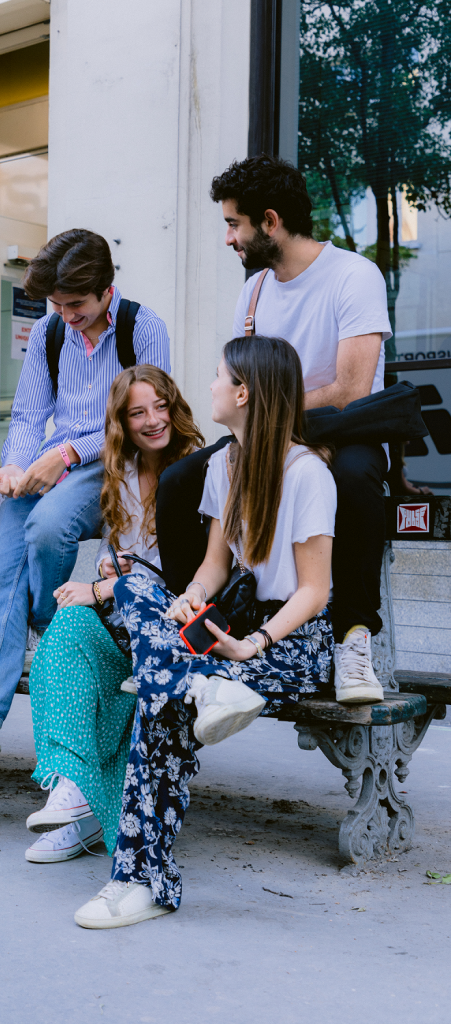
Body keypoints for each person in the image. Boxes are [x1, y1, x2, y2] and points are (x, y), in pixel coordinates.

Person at [74, 334, 337, 929]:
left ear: (242, 392)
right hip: (232, 627)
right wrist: (189, 600)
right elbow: (216, 566)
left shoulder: (308, 475)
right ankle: (186, 679)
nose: (210, 385)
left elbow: (314, 592)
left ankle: (136, 881)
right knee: (136, 586)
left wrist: (254, 645)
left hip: (288, 639)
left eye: (219, 375)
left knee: (159, 705)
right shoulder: (224, 463)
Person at [0, 229, 171, 763]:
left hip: (118, 462)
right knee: (8, 545)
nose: (66, 314)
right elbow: (26, 414)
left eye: (77, 304)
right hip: (54, 462)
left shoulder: (144, 326)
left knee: (47, 527)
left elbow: (145, 419)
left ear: (106, 290)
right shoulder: (49, 333)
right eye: (56, 304)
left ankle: (43, 629)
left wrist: (65, 453)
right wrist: (17, 467)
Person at [156, 155, 391, 705]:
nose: (228, 238)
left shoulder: (354, 275)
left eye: (233, 224)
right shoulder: (255, 290)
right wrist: (270, 427)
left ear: (268, 221)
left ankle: (354, 638)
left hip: (343, 429)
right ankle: (200, 615)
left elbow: (353, 388)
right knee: (180, 482)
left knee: (355, 482)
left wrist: (280, 421)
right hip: (271, 433)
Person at [23, 366, 204, 864]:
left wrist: (104, 585)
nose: (152, 420)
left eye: (160, 407)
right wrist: (110, 560)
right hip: (122, 616)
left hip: (172, 627)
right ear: (122, 421)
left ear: (175, 407)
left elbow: (195, 569)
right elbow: (125, 546)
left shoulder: (198, 469)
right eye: (137, 412)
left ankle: (83, 805)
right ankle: (70, 789)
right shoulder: (120, 468)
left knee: (86, 621)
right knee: (65, 631)